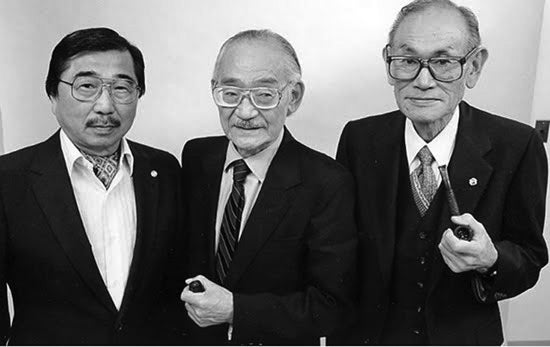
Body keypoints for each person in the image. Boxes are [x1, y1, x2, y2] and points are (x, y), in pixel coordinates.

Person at [335, 0, 548, 345]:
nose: (422, 80)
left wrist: (490, 259)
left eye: (443, 62)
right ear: (389, 63)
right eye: (407, 61)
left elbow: (530, 258)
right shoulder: (359, 139)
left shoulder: (517, 145)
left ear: (474, 66)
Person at [0, 27, 184, 345]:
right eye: (87, 86)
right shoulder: (9, 179)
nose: (105, 106)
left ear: (138, 94)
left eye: (122, 88)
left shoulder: (164, 170)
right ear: (52, 95)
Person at [179, 29, 357, 345]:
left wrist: (235, 310)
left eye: (264, 94)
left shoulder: (326, 181)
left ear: (294, 97)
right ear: (214, 90)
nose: (245, 113)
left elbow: (332, 307)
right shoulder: (196, 157)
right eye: (230, 93)